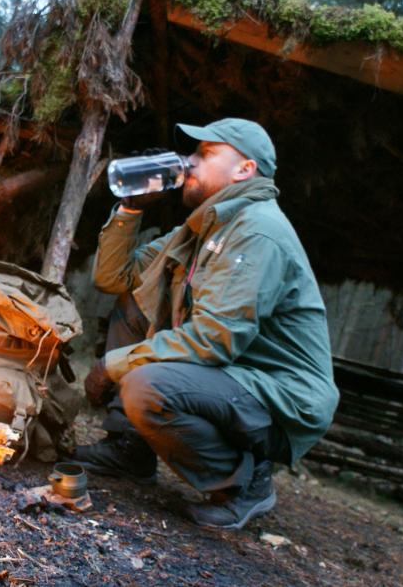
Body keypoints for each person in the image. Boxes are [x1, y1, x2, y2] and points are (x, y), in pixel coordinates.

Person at [70, 118, 339, 530]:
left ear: (244, 170)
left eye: (206, 153)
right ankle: (131, 449)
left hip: (280, 394)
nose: (189, 163)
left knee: (147, 385)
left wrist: (115, 365)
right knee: (135, 302)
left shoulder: (258, 231)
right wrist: (130, 207)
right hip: (232, 378)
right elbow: (115, 278)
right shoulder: (200, 230)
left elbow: (214, 340)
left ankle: (244, 486)